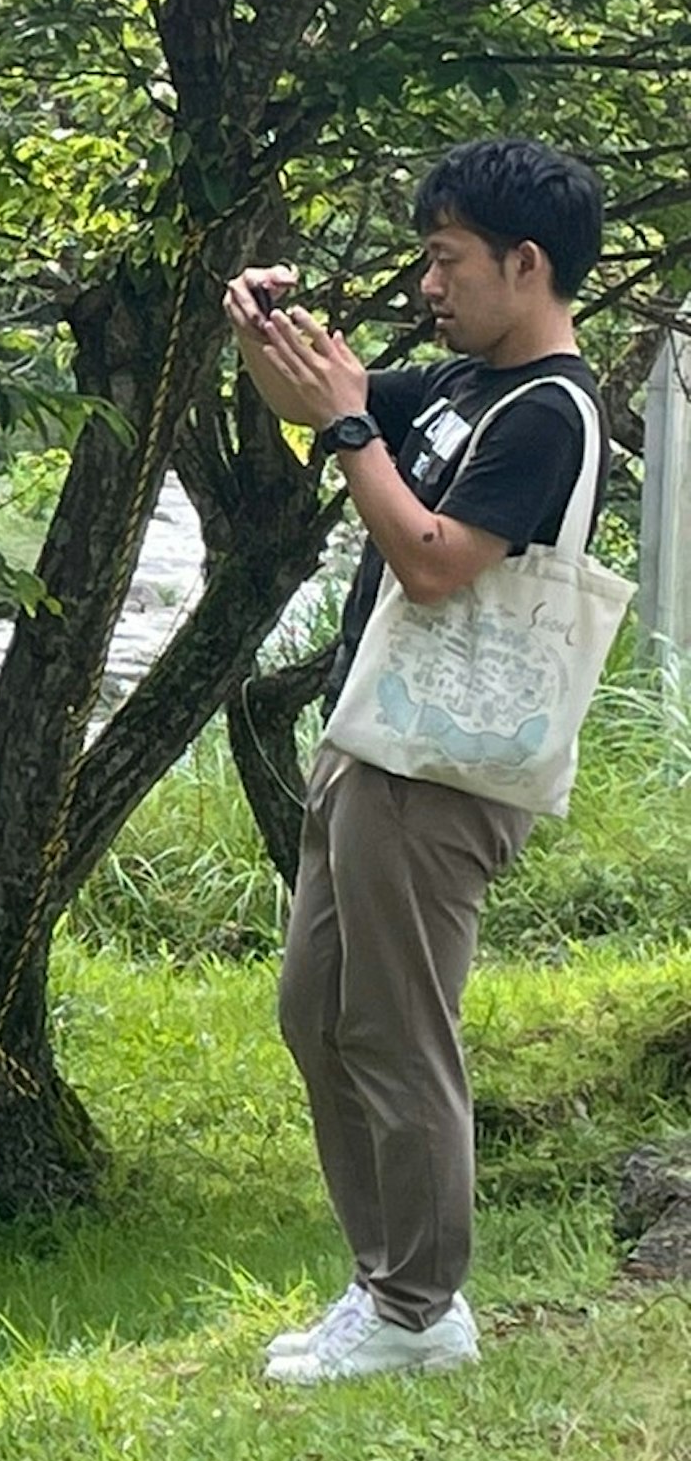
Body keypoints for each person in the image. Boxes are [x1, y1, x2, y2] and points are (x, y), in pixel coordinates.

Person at [223, 138, 608, 1383]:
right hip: (374, 736)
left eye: (447, 259)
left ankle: (419, 1306)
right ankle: (383, 1286)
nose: (429, 283)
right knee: (320, 1014)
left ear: (526, 261)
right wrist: (268, 337)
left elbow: (435, 560)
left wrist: (346, 426)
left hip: (438, 771)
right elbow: (316, 405)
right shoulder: (458, 385)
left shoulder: (549, 409)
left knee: (396, 1025)